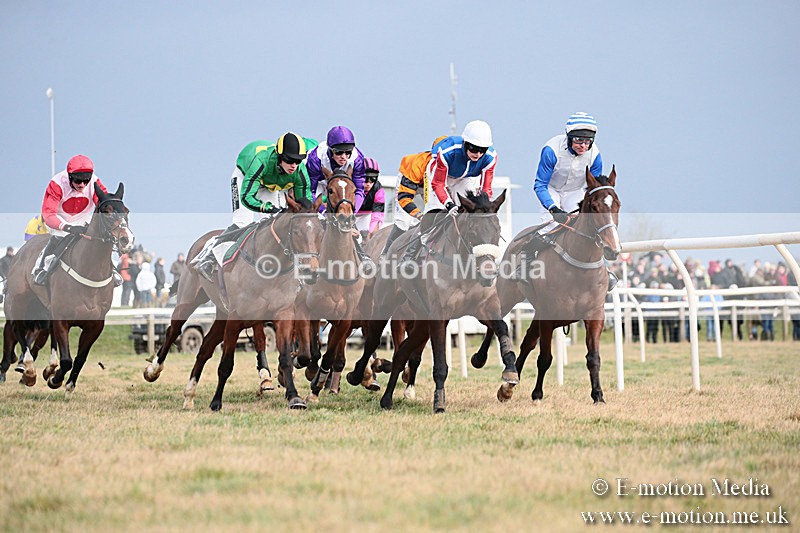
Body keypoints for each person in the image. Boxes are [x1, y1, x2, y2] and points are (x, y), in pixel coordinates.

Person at [194, 133, 316, 281]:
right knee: (242, 222)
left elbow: (305, 199)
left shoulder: (299, 170)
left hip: (270, 185)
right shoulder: (262, 161)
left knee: (275, 224)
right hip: (245, 178)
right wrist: (265, 207)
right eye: (290, 160)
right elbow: (247, 198)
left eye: (298, 161)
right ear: (279, 155)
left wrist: (308, 207)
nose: (294, 166)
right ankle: (208, 257)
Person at [515, 112, 615, 290]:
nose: (583, 146)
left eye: (587, 142)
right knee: (550, 228)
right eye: (578, 141)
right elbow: (540, 185)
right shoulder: (551, 150)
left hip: (576, 191)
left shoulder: (595, 155)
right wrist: (553, 209)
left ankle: (606, 270)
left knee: (589, 227)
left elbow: (595, 188)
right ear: (568, 137)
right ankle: (525, 263)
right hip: (551, 190)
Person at [399, 120, 497, 265]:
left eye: (482, 150)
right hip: (438, 177)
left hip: (464, 178)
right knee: (433, 212)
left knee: (469, 211)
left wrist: (483, 208)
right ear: (465, 144)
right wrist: (449, 204)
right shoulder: (447, 152)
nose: (478, 154)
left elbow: (486, 189)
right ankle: (413, 253)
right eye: (474, 149)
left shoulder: (490, 158)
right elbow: (438, 184)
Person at [32, 154, 121, 286]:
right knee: (61, 236)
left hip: (83, 218)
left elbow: (103, 203)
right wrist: (68, 227)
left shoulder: (94, 182)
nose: (82, 185)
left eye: (86, 181)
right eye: (78, 181)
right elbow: (48, 214)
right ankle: (41, 268)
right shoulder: (57, 184)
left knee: (101, 234)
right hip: (59, 219)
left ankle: (111, 267)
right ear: (69, 177)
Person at [305, 125, 374, 270]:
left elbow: (359, 189)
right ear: (331, 150)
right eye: (339, 152)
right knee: (316, 223)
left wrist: (349, 212)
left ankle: (362, 256)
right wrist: (323, 212)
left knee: (349, 224)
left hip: (343, 185)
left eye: (347, 152)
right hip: (320, 184)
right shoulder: (316, 158)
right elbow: (309, 190)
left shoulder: (357, 159)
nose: (344, 157)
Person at [379, 136, 447, 259]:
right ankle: (385, 253)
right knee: (403, 222)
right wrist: (418, 215)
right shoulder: (417, 165)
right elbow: (405, 198)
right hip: (410, 183)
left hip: (431, 183)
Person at [354, 157, 385, 240]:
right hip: (351, 215)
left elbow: (377, 213)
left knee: (372, 235)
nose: (368, 184)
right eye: (365, 180)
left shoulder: (379, 189)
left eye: (372, 180)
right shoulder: (350, 185)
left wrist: (371, 231)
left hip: (367, 215)